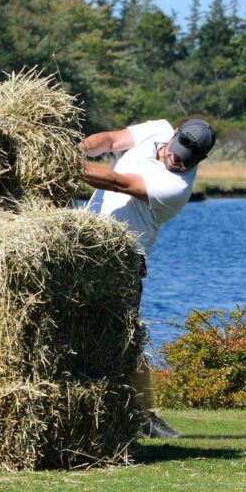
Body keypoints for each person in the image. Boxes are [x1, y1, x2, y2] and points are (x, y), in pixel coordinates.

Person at [79, 118, 217, 439]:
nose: (177, 159)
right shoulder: (158, 128)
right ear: (174, 135)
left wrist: (64, 167)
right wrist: (75, 151)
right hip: (85, 242)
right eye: (178, 149)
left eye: (188, 159)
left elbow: (117, 182)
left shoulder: (177, 189)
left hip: (125, 257)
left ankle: (144, 414)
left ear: (200, 160)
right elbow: (111, 141)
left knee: (123, 338)